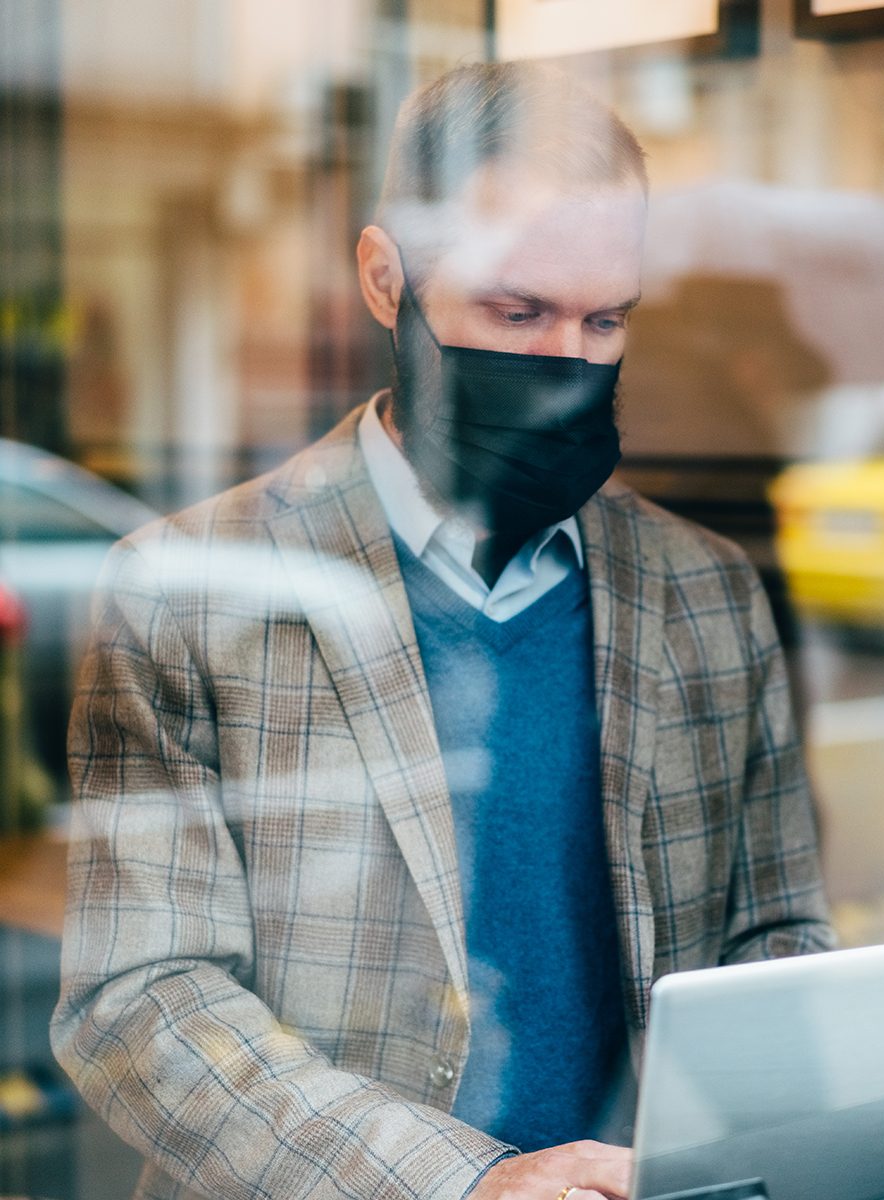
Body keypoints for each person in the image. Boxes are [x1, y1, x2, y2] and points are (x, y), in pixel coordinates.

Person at [51, 62, 833, 1200]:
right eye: (514, 311)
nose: (565, 361)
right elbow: (142, 1001)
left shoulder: (705, 590)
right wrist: (456, 1183)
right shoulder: (184, 589)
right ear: (386, 278)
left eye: (604, 319)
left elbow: (777, 930)